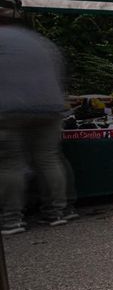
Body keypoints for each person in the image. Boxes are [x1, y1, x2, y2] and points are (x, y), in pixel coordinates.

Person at [1, 16, 71, 234]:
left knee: (10, 163)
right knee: (48, 159)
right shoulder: (42, 42)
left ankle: (11, 219)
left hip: (9, 108)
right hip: (50, 107)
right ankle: (56, 212)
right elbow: (60, 74)